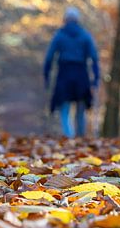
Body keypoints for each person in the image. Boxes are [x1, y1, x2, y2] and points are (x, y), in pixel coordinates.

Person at [43, 7, 100, 138]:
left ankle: (68, 136)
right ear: (77, 20)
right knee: (81, 108)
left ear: (65, 19)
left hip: (64, 74)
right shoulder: (85, 35)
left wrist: (46, 75)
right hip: (81, 75)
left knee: (65, 108)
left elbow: (49, 57)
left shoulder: (59, 35)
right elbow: (94, 58)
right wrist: (95, 78)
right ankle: (80, 137)